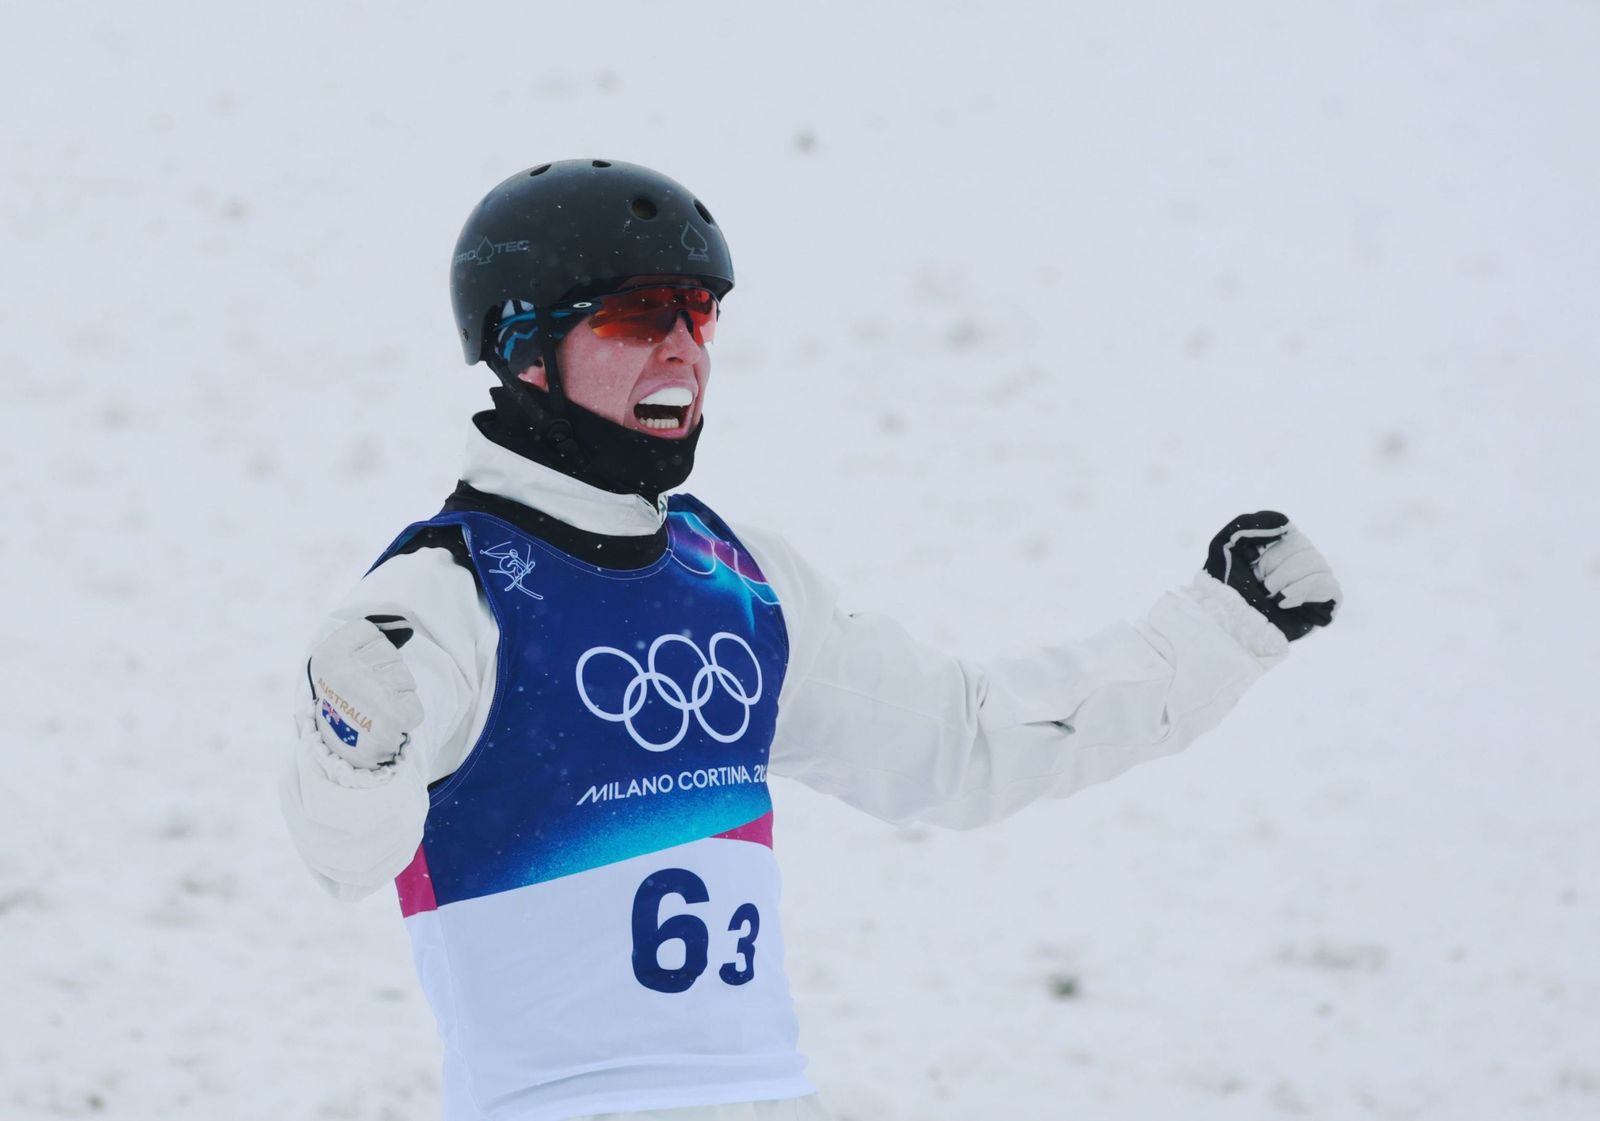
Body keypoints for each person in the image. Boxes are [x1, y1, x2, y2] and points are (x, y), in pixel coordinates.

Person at [279, 159, 1342, 1121]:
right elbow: (344, 851)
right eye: (637, 314)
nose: (683, 346)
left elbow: (961, 743)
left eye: (698, 311)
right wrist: (349, 746)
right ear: (523, 348)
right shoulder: (441, 597)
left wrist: (1217, 632)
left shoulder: (735, 579)